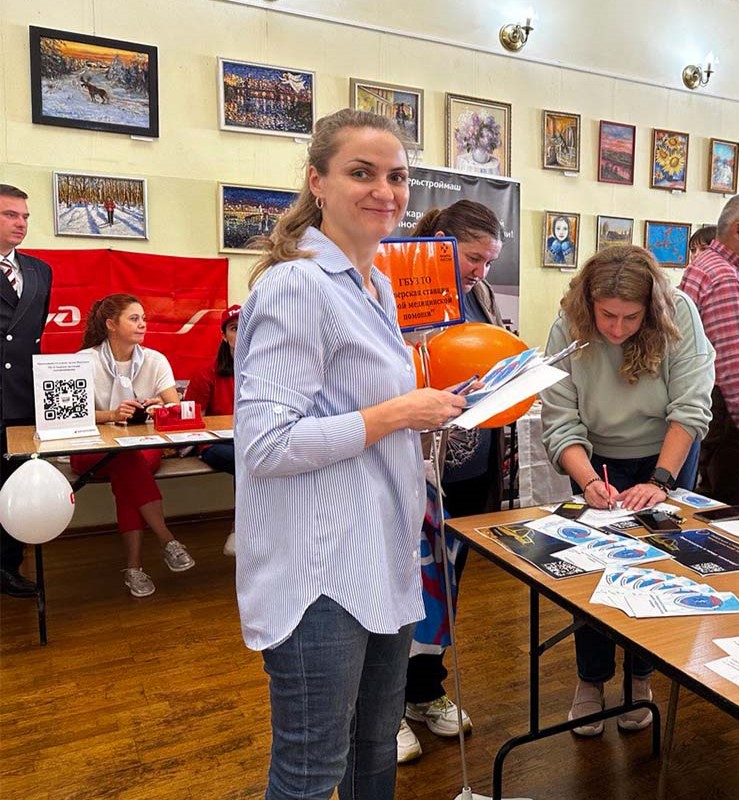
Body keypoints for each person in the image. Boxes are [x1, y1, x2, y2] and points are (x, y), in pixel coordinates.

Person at [235, 108, 467, 800]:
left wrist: (431, 419)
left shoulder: (378, 285)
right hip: (321, 575)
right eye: (361, 173)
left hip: (382, 557)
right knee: (311, 771)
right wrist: (398, 412)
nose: (385, 191)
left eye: (396, 177)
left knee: (374, 751)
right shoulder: (297, 285)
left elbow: (356, 418)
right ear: (318, 181)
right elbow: (267, 443)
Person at [541, 245, 715, 737]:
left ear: (651, 309)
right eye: (607, 317)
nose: (616, 329)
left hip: (666, 455)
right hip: (595, 458)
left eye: (630, 318)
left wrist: (661, 482)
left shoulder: (679, 313)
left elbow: (691, 407)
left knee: (657, 569)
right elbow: (559, 418)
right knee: (592, 571)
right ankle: (591, 682)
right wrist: (589, 481)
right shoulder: (567, 323)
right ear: (588, 305)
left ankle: (641, 679)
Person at [396, 199, 508, 761]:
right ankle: (385, 705)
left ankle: (424, 691)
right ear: (440, 242)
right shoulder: (397, 289)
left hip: (468, 464)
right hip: (412, 465)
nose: (480, 272)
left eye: (489, 261)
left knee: (444, 583)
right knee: (402, 585)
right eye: (473, 258)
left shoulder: (481, 297)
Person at [72, 294, 197, 597]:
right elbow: (72, 415)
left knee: (127, 467)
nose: (142, 324)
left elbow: (175, 407)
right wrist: (112, 415)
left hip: (141, 449)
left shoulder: (154, 360)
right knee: (126, 460)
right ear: (111, 325)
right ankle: (166, 539)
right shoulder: (82, 361)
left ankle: (134, 568)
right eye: (134, 318)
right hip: (92, 450)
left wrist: (157, 406)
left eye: (143, 318)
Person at [680, 193, 739, 506]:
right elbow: (733, 370)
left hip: (709, 405)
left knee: (706, 504)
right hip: (726, 414)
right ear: (738, 230)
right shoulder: (724, 279)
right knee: (733, 514)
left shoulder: (703, 266)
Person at [0, 184, 52, 598]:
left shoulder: (38, 270)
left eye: (25, 216)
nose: (20, 223)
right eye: (10, 215)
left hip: (22, 398)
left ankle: (7, 567)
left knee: (14, 485)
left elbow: (33, 336)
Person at [183, 304, 239, 556]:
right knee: (248, 461)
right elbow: (191, 420)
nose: (242, 333)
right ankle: (240, 529)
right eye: (235, 328)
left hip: (252, 440)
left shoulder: (267, 370)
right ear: (224, 335)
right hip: (214, 445)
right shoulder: (207, 372)